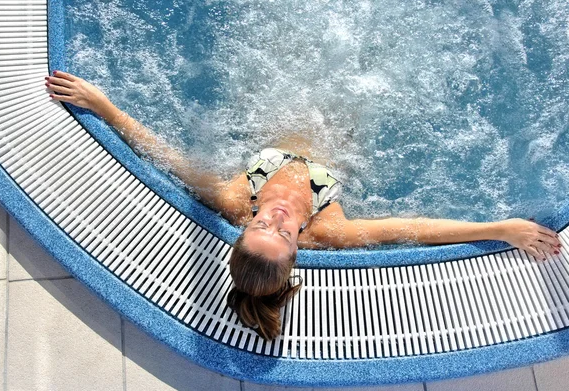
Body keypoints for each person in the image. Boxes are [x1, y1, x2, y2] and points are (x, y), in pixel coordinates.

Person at [46, 71, 563, 340]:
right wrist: (502, 229)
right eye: (285, 233)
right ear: (299, 247)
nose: (276, 216)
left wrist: (102, 104)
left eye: (260, 224)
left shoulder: (236, 197)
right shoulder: (329, 229)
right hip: (341, 130)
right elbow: (416, 227)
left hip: (279, 103)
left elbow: (162, 154)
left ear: (245, 223)